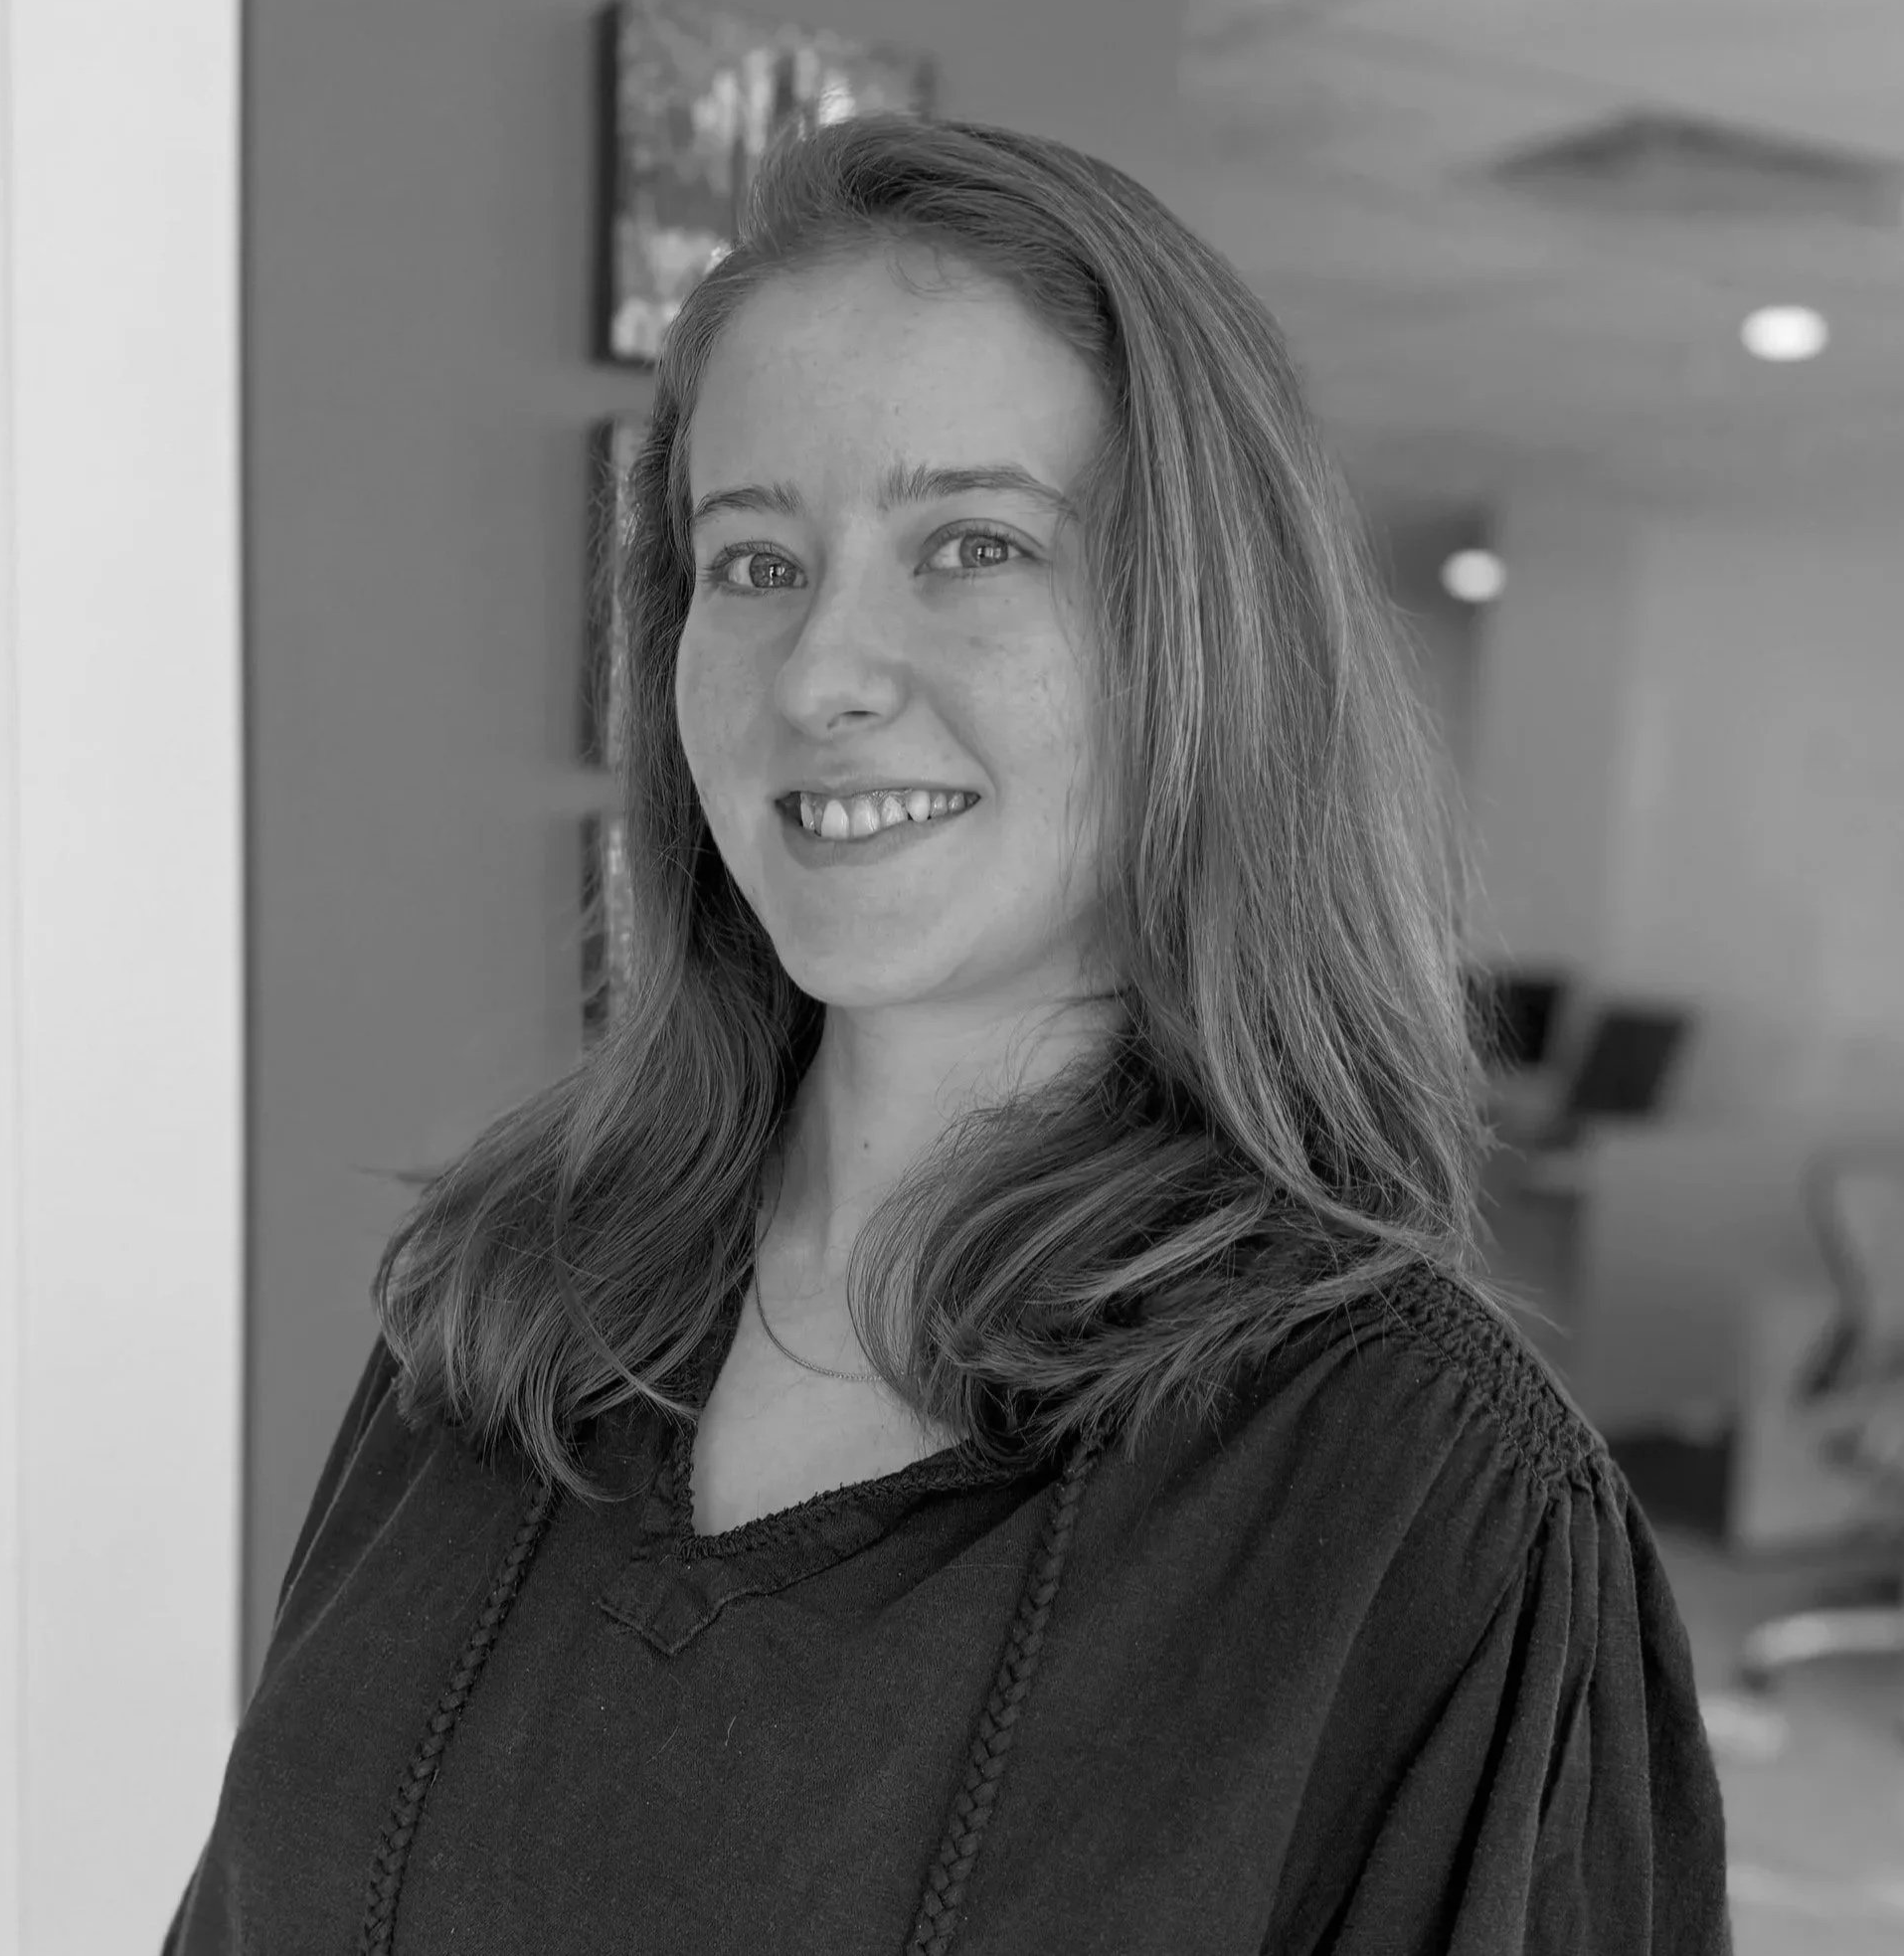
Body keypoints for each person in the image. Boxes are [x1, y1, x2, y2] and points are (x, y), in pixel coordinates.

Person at [162, 113, 1732, 1954]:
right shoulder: (500, 1312)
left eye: (972, 541)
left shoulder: (1432, 1511)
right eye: (752, 562)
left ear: (1199, 644)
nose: (822, 669)